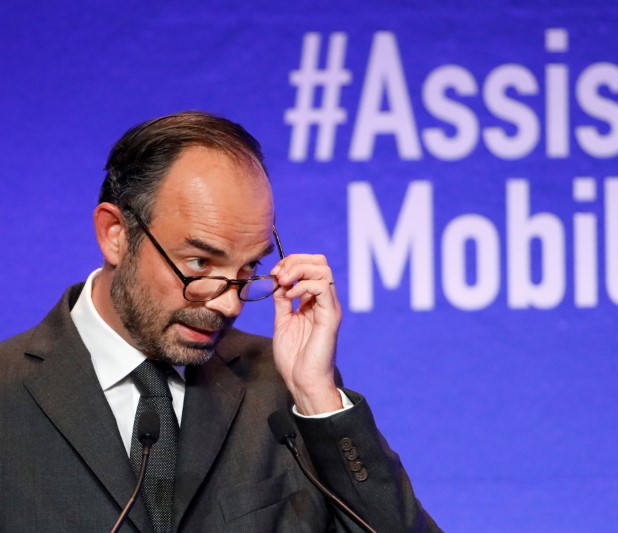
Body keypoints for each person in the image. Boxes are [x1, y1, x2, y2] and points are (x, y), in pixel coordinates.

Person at [0, 111, 439, 532]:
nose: (229, 304)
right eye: (198, 263)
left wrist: (316, 396)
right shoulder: (8, 390)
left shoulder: (279, 390)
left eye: (248, 270)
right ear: (116, 235)